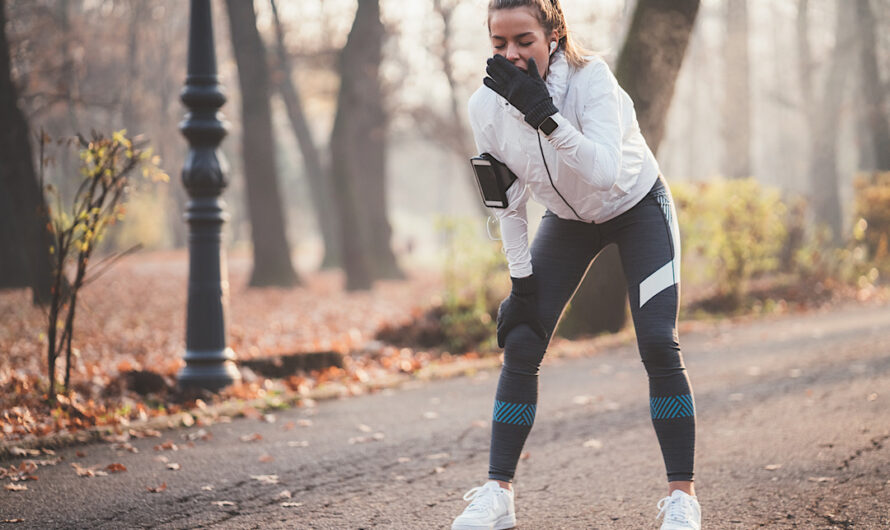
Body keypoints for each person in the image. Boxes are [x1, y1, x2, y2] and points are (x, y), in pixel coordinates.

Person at [451, 1, 701, 529]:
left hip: (636, 207)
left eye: (524, 40)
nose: (512, 55)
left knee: (657, 340)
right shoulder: (485, 108)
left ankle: (682, 500)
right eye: (500, 45)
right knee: (521, 339)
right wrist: (521, 284)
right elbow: (508, 204)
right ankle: (498, 495)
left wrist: (545, 115)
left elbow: (606, 173)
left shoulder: (594, 81)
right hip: (566, 221)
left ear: (554, 34)